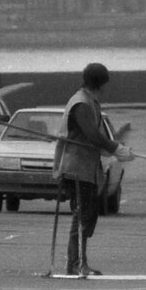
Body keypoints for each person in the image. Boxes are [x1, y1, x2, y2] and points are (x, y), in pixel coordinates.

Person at [53, 63, 135, 277]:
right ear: (100, 83)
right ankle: (76, 263)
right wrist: (115, 147)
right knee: (83, 215)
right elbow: (92, 135)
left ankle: (79, 262)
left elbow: (97, 138)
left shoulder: (89, 101)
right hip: (76, 167)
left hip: (85, 166)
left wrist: (115, 149)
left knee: (86, 215)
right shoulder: (81, 104)